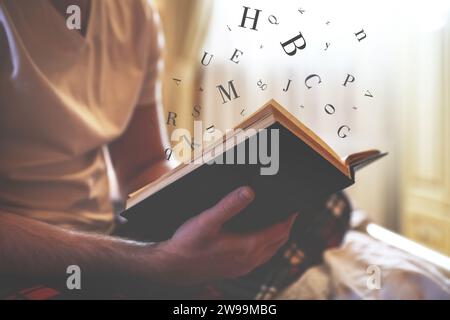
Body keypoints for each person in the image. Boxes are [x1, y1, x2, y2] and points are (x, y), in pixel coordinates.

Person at [0, 0, 297, 298]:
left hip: (106, 234)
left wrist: (213, 199)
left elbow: (144, 164)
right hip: (26, 264)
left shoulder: (133, 12)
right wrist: (151, 262)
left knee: (322, 209)